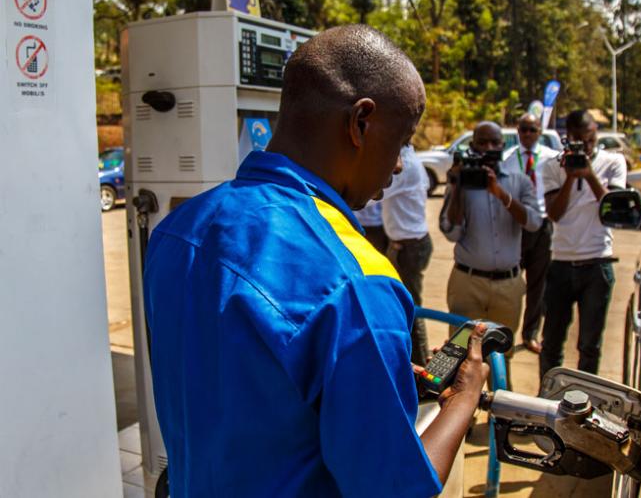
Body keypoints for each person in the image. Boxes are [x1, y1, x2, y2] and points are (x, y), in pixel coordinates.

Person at [142, 25, 488, 498]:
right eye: (403, 139)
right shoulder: (358, 283)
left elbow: (240, 381)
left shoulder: (178, 231)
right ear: (360, 123)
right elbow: (395, 490)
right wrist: (463, 401)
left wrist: (356, 370)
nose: (401, 165)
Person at [440, 121, 542, 384]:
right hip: (467, 283)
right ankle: (464, 417)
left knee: (502, 354)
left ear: (503, 145)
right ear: (472, 146)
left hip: (508, 286)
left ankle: (498, 412)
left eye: (494, 143)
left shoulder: (519, 181)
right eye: (481, 142)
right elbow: (450, 231)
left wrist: (501, 194)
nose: (488, 148)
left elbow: (533, 222)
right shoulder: (460, 182)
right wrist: (459, 185)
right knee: (461, 352)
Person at [540, 110, 626, 378]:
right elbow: (554, 214)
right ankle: (548, 398)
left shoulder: (614, 162)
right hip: (561, 264)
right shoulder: (552, 166)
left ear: (596, 134)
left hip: (597, 263)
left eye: (589, 140)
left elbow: (614, 209)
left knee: (590, 345)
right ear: (567, 139)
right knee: (552, 342)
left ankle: (584, 402)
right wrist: (570, 177)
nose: (585, 147)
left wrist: (589, 175)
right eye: (578, 141)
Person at [501, 113, 560, 354]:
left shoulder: (550, 158)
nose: (527, 134)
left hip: (543, 227)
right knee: (513, 280)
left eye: (532, 130)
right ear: (517, 131)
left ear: (539, 131)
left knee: (538, 284)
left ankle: (530, 333)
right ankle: (506, 331)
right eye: (523, 129)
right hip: (517, 225)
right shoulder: (507, 159)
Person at [380, 143, 433, 367]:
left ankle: (423, 373)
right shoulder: (410, 158)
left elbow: (378, 188)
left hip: (411, 247)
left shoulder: (406, 164)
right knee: (404, 306)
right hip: (405, 244)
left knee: (411, 310)